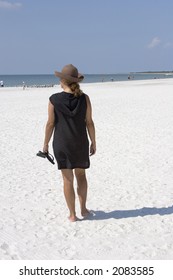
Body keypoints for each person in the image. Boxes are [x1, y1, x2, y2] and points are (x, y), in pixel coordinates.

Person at [42, 64, 96, 222]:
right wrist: (93, 141)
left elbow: (50, 124)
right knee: (81, 176)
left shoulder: (54, 99)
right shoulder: (84, 98)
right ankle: (84, 209)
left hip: (61, 144)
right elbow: (89, 122)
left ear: (62, 81)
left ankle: (72, 215)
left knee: (67, 179)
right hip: (80, 142)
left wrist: (45, 144)